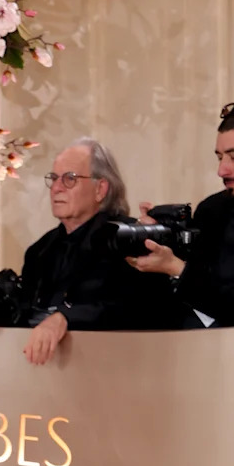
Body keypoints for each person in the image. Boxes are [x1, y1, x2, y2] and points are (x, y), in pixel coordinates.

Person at [19, 138, 180, 366]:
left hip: (123, 368)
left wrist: (65, 318)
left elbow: (136, 309)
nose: (56, 188)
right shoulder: (40, 250)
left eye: (69, 178)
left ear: (100, 189)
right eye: (54, 178)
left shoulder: (131, 239)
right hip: (43, 371)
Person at [129, 102, 234, 327]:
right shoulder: (211, 210)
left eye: (233, 157)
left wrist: (175, 267)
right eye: (219, 158)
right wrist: (156, 240)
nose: (221, 171)